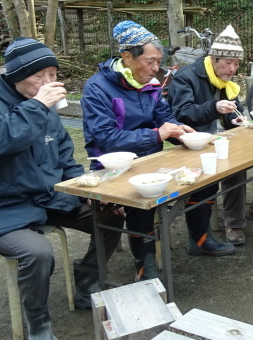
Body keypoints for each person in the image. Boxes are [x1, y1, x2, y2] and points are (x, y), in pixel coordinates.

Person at [0, 38, 123, 340]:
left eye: (53, 74)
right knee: (37, 252)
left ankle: (86, 281)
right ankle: (38, 325)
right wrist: (38, 106)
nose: (49, 83)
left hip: (44, 195)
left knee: (110, 215)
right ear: (18, 75)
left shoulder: (43, 107)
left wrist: (90, 194)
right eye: (40, 76)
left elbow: (65, 161)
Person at [82, 21, 197, 280]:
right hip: (110, 167)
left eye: (159, 62)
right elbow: (106, 138)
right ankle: (145, 267)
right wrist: (157, 135)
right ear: (126, 57)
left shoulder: (150, 84)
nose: (157, 69)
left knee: (201, 178)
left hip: (149, 161)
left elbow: (164, 118)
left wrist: (181, 133)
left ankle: (201, 240)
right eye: (150, 61)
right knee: (142, 204)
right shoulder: (98, 87)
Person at [169, 24, 253, 247]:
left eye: (236, 64)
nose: (232, 69)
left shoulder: (225, 81)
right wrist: (214, 107)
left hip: (222, 137)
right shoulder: (185, 78)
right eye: (228, 63)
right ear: (213, 59)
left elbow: (233, 110)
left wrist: (235, 118)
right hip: (194, 142)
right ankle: (234, 223)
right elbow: (181, 114)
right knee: (235, 164)